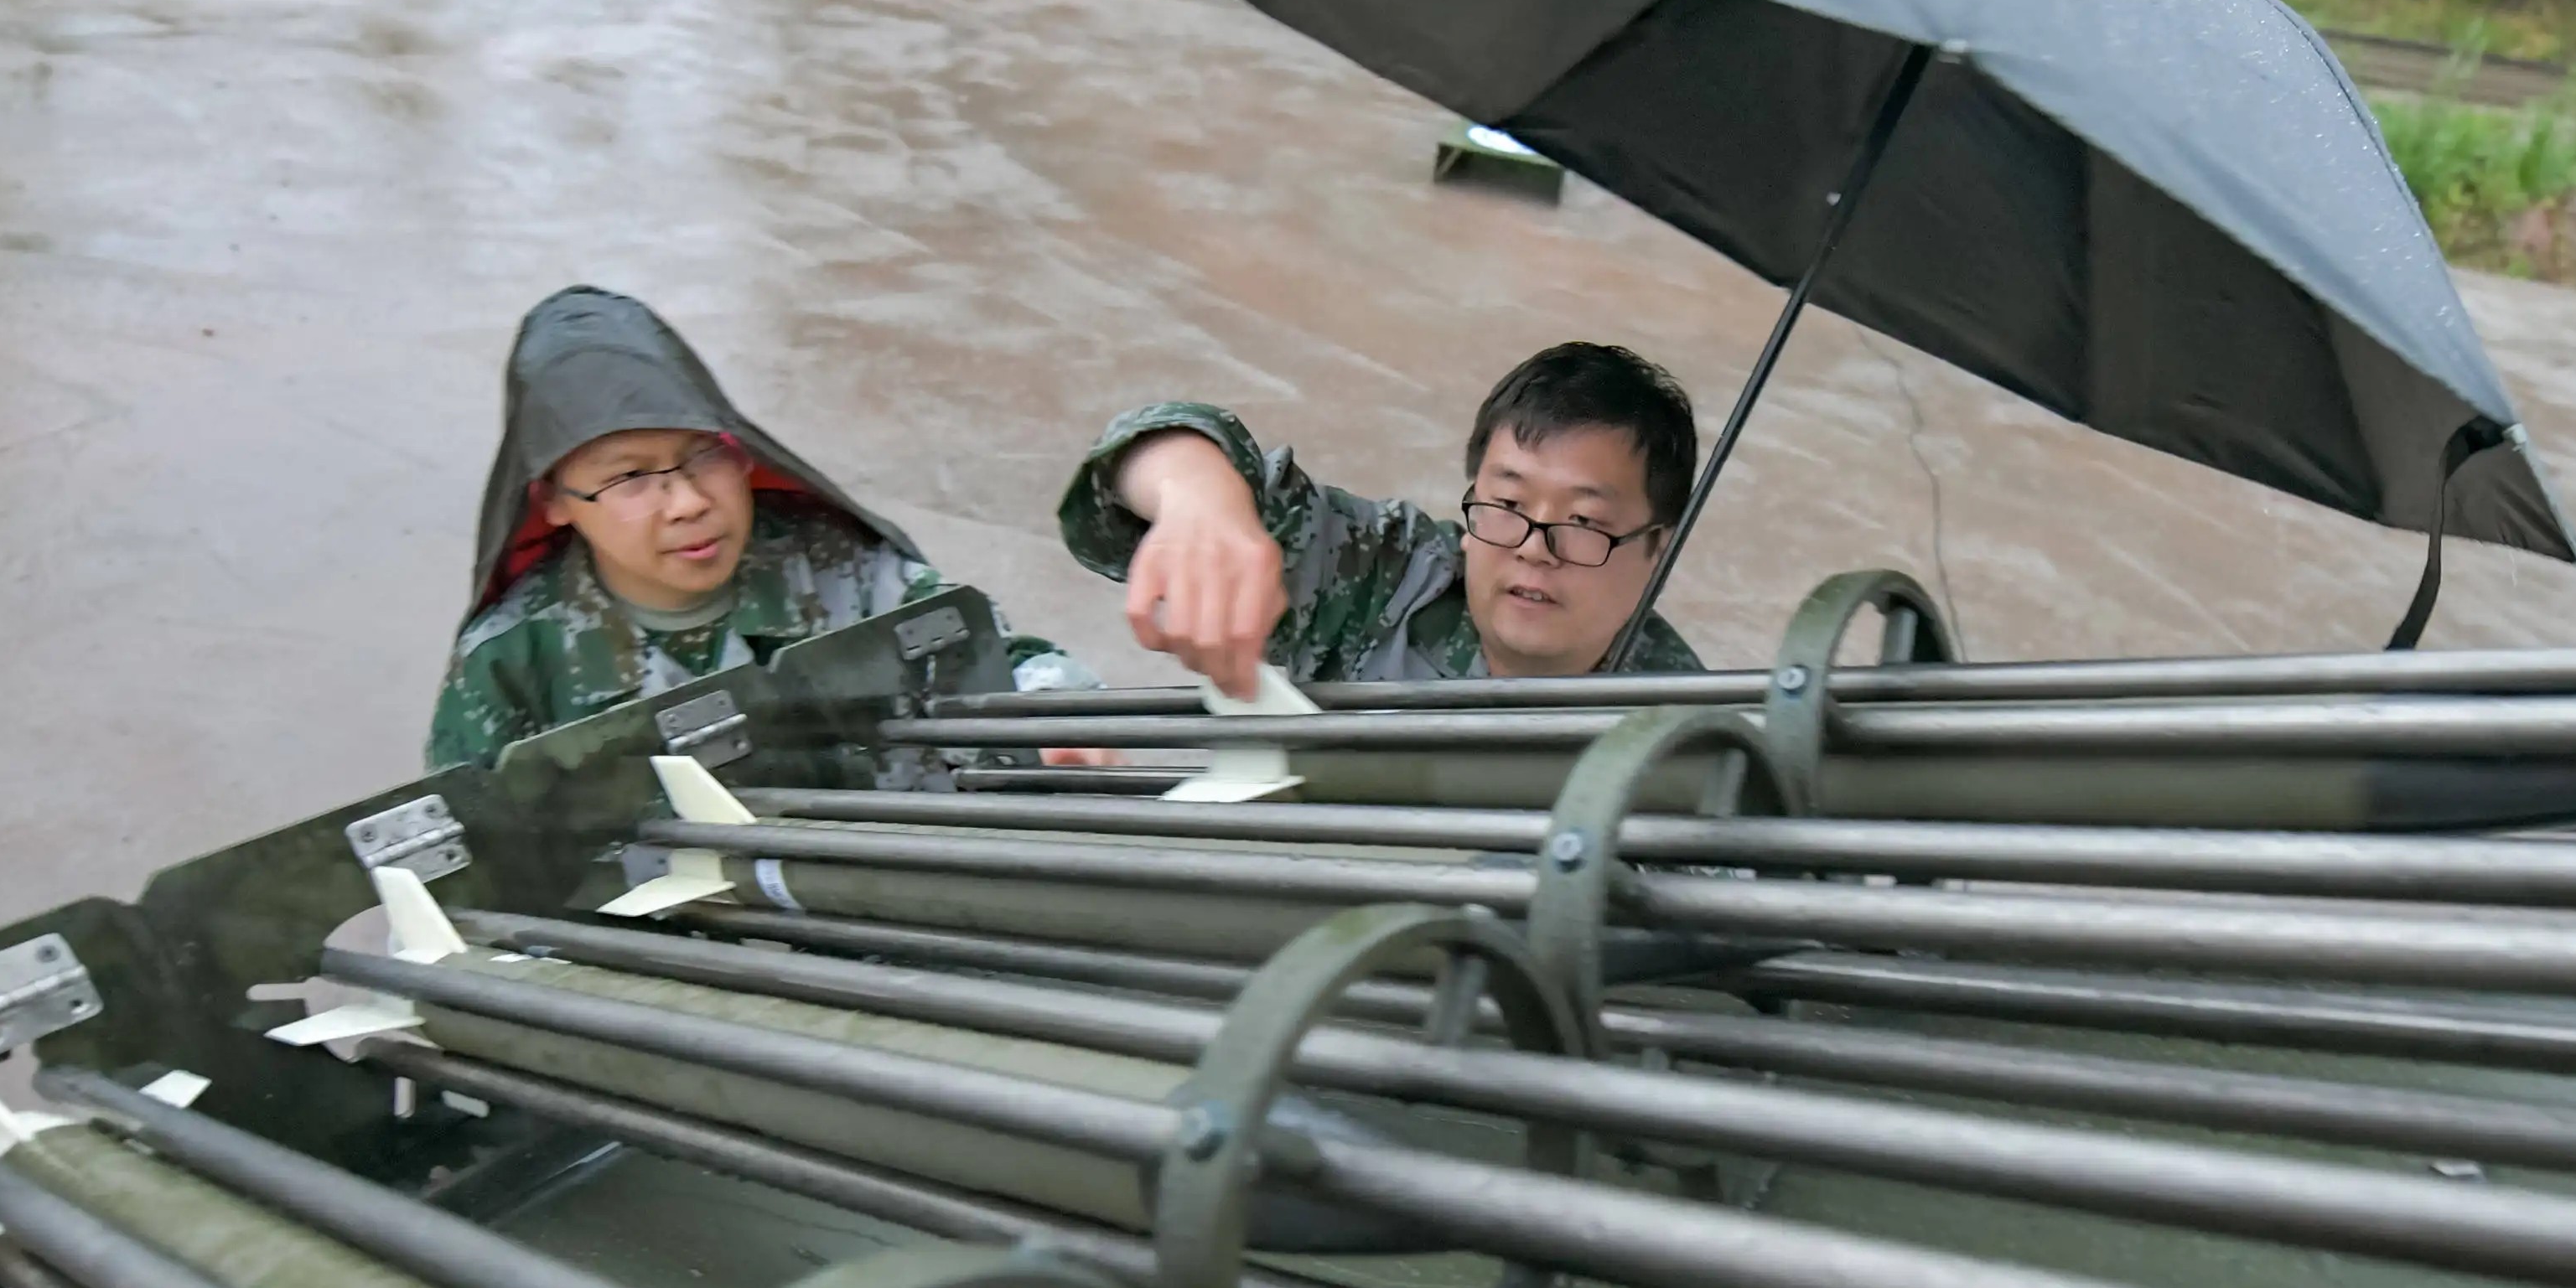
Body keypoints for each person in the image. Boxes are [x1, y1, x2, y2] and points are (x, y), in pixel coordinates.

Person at [428, 288, 1084, 768]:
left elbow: (1002, 665)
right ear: (553, 502)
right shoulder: (509, 659)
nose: (686, 502)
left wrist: (1057, 722)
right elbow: (459, 879)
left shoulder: (839, 570)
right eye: (631, 478)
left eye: (704, 456)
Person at [1055, 342, 1703, 697]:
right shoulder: (1392, 580)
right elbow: (1148, 450)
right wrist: (1201, 505)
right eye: (1507, 507)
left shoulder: (1688, 737)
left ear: (1658, 550)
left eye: (1584, 522)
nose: (1535, 548)